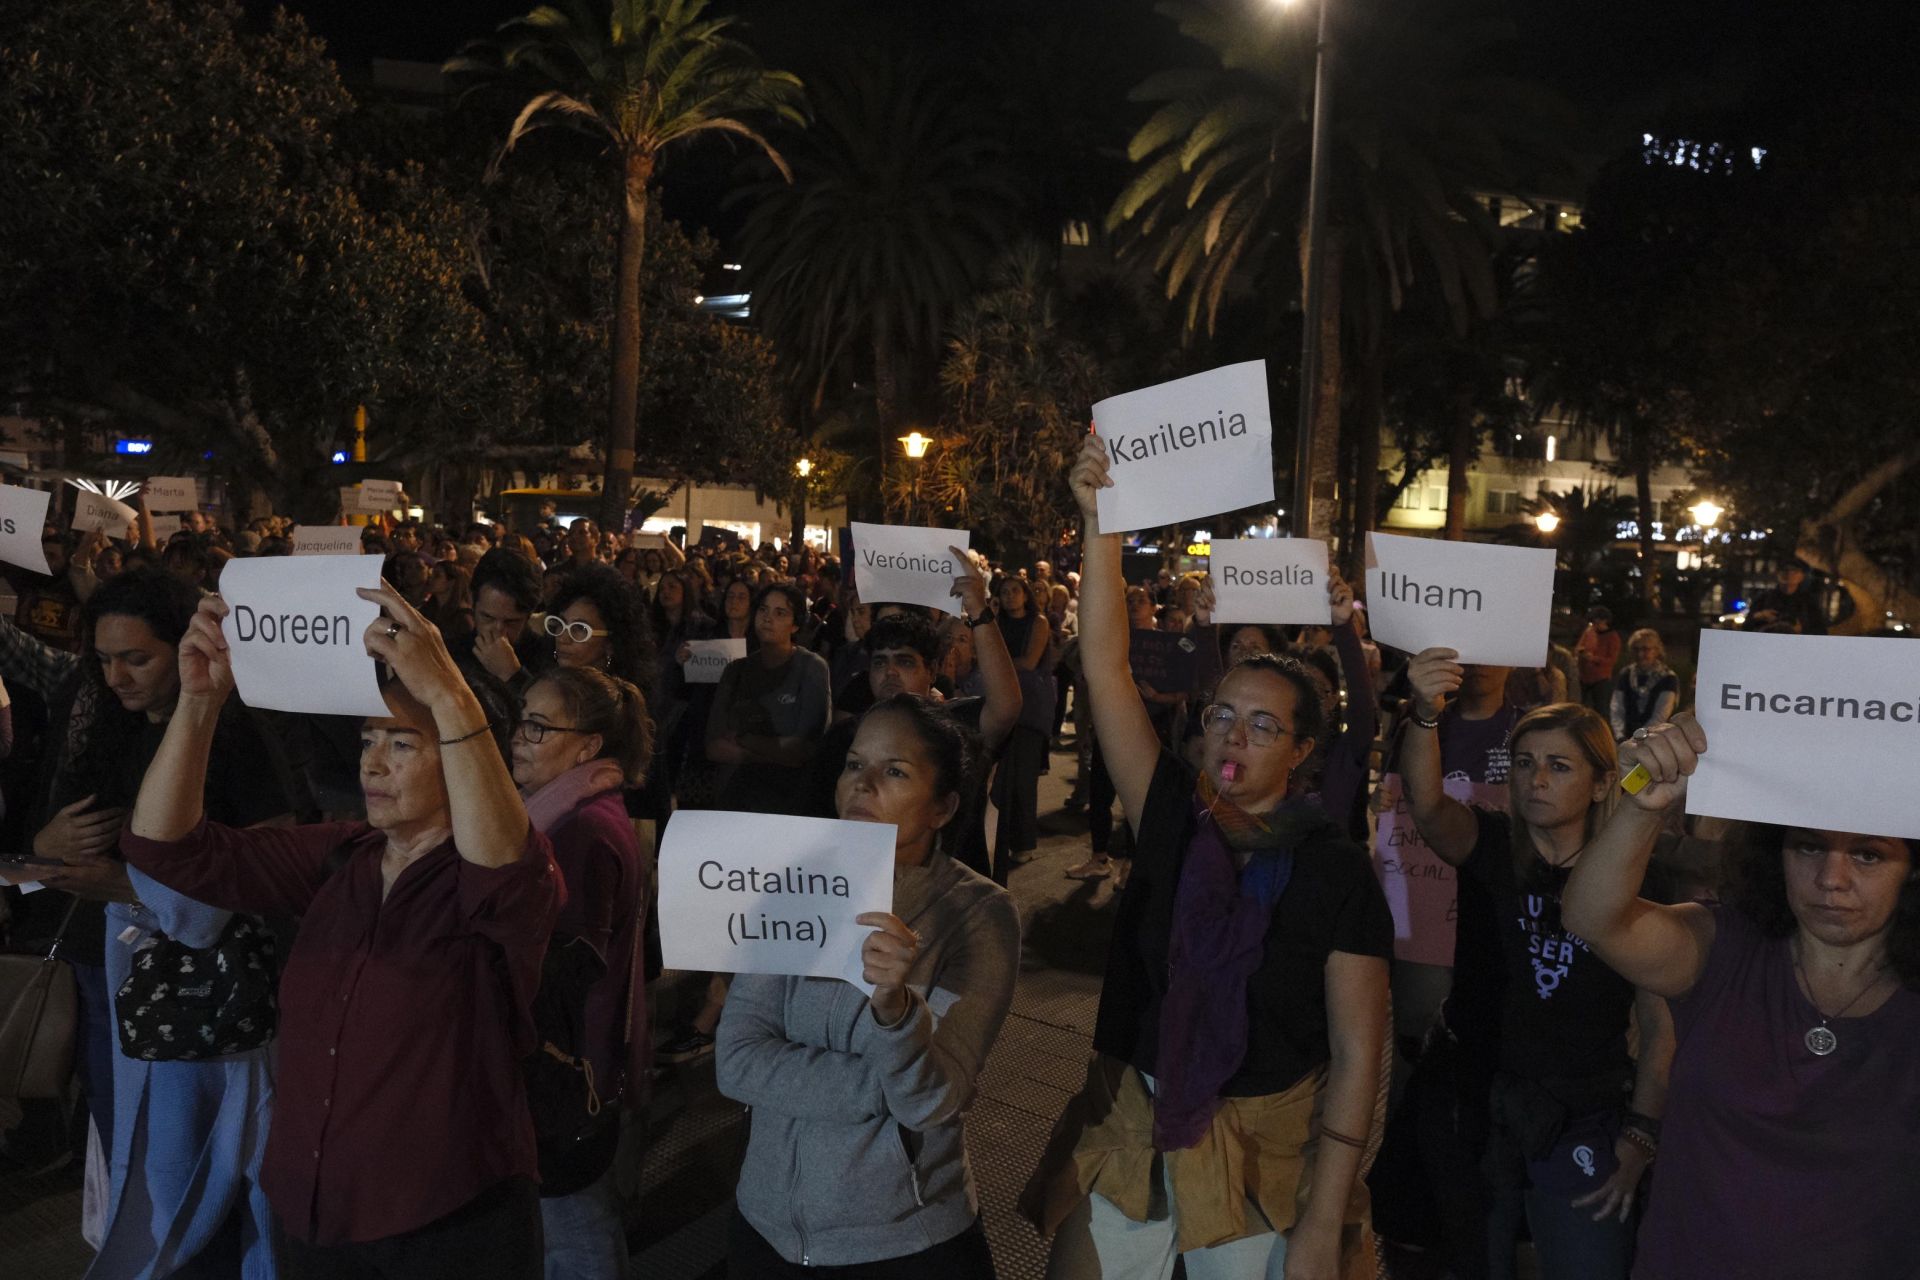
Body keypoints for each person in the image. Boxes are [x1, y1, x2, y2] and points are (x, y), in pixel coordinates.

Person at [1027, 433, 1391, 1280]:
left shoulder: (1335, 871)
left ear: (1301, 752)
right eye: (1224, 714)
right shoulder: (1170, 817)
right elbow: (1108, 669)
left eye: (1264, 725)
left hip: (1267, 1150)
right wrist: (1099, 526)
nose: (1234, 733)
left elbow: (1359, 1059)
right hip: (1135, 1122)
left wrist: (1322, 1223)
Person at [118, 583, 561, 1277]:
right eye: (368, 740)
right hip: (312, 1214)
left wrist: (452, 699)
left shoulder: (498, 883)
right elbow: (165, 849)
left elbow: (502, 867)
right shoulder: (340, 857)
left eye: (403, 743)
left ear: (465, 761)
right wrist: (200, 703)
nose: (372, 763)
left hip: (443, 1225)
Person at [0, 569, 296, 1278]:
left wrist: (123, 884)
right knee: (130, 1151)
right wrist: (44, 849)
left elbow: (271, 872)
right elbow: (73, 837)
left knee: (201, 1173)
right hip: (111, 970)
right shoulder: (114, 723)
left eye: (137, 658)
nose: (117, 677)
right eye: (103, 661)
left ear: (186, 648)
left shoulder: (240, 733)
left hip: (210, 1001)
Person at [1563, 716, 1919, 1276]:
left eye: (1868, 855)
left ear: (1911, 872)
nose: (1832, 878)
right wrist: (1640, 805)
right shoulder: (1721, 947)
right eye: (1807, 847)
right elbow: (1592, 918)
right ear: (1774, 854)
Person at [716, 694, 1020, 1277]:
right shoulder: (791, 885)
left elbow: (932, 1100)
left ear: (943, 807)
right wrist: (876, 1087)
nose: (864, 784)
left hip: (903, 1242)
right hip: (765, 1227)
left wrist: (895, 1012)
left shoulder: (978, 914)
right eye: (855, 765)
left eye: (895, 771)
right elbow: (735, 1062)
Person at [1393, 654, 1673, 1280]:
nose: (1536, 779)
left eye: (1558, 765)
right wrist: (1423, 714)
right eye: (1523, 763)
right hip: (1475, 1103)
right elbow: (1427, 803)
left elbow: (1659, 1028)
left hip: (1584, 1110)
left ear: (1602, 783)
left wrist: (1639, 1138)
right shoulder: (1489, 844)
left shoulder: (1634, 879)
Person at [511, 667, 653, 1280]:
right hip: (576, 1063)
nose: (519, 737)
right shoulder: (575, 809)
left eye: (539, 728)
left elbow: (565, 969)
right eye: (522, 720)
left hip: (569, 1070)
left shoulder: (580, 828)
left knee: (573, 1226)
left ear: (589, 747)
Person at [801, 550, 1020, 880]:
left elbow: (1006, 706)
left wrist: (977, 608)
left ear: (931, 670)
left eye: (904, 662)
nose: (890, 672)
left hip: (946, 902)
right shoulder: (843, 740)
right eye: (880, 662)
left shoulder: (956, 727)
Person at [705, 582, 830, 816]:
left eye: (780, 612)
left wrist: (744, 739)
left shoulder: (811, 667)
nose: (768, 618)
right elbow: (713, 746)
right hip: (736, 798)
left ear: (795, 625)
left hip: (789, 802)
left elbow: (803, 749)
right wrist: (774, 751)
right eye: (763, 610)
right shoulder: (736, 670)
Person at [1607, 629, 1677, 742]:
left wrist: (1639, 737)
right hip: (1624, 738)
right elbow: (1616, 707)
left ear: (1656, 650)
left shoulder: (1668, 678)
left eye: (1645, 649)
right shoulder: (1626, 674)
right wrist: (1619, 735)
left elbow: (1660, 715)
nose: (1640, 654)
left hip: (1653, 740)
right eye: (1636, 649)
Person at [1746, 559, 1827, 635]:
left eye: (1794, 571)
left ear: (1802, 576)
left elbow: (1821, 631)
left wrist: (1801, 630)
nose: (1789, 573)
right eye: (1785, 570)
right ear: (1777, 574)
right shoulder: (1763, 598)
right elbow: (1746, 627)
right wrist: (1759, 616)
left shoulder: (1809, 602)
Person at [1573, 608, 1621, 715]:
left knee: (1601, 708)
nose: (1595, 624)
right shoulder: (1589, 632)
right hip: (1584, 676)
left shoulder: (1612, 637)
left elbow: (1612, 660)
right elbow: (1578, 647)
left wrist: (1594, 658)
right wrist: (1580, 653)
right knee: (1579, 707)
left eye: (1597, 621)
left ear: (1605, 621)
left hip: (1601, 678)